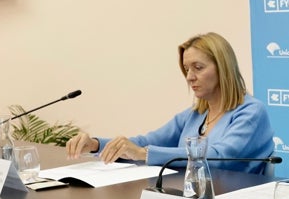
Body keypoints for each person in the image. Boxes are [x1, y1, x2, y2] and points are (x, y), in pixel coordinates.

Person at [66, 32, 274, 173]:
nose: (189, 77)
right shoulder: (196, 114)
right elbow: (148, 140)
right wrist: (95, 144)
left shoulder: (251, 112)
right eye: (187, 69)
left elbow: (220, 156)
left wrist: (144, 154)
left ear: (223, 68)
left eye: (198, 68)